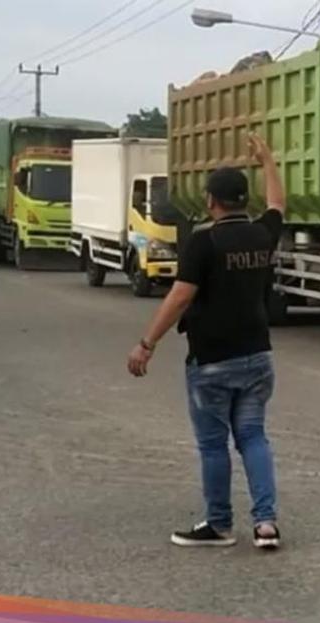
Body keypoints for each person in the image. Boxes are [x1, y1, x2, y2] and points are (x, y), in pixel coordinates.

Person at [127, 134, 285, 550]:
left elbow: (180, 296)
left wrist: (147, 342)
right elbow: (277, 206)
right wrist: (268, 161)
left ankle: (218, 525)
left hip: (213, 361)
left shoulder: (204, 241)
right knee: (253, 437)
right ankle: (265, 524)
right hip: (257, 356)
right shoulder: (262, 235)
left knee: (214, 445)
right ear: (242, 200)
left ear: (211, 201)